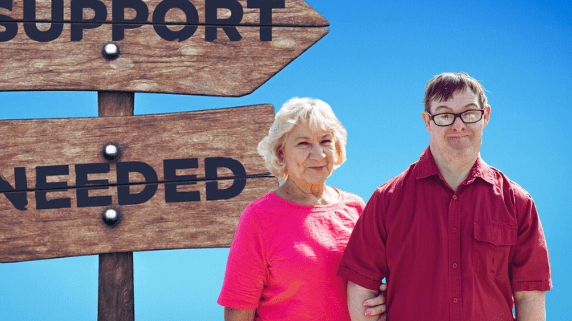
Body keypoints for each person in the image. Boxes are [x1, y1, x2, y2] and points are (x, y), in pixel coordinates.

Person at [338, 72, 552, 320]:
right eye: (445, 115)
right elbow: (361, 287)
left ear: (486, 116)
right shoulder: (387, 200)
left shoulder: (517, 203)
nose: (458, 125)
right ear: (427, 121)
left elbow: (530, 297)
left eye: (470, 113)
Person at [218, 97, 387, 320]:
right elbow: (238, 311)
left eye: (325, 141)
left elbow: (375, 283)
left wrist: (383, 298)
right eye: (303, 144)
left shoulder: (356, 207)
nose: (318, 155)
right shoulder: (258, 217)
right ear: (281, 152)